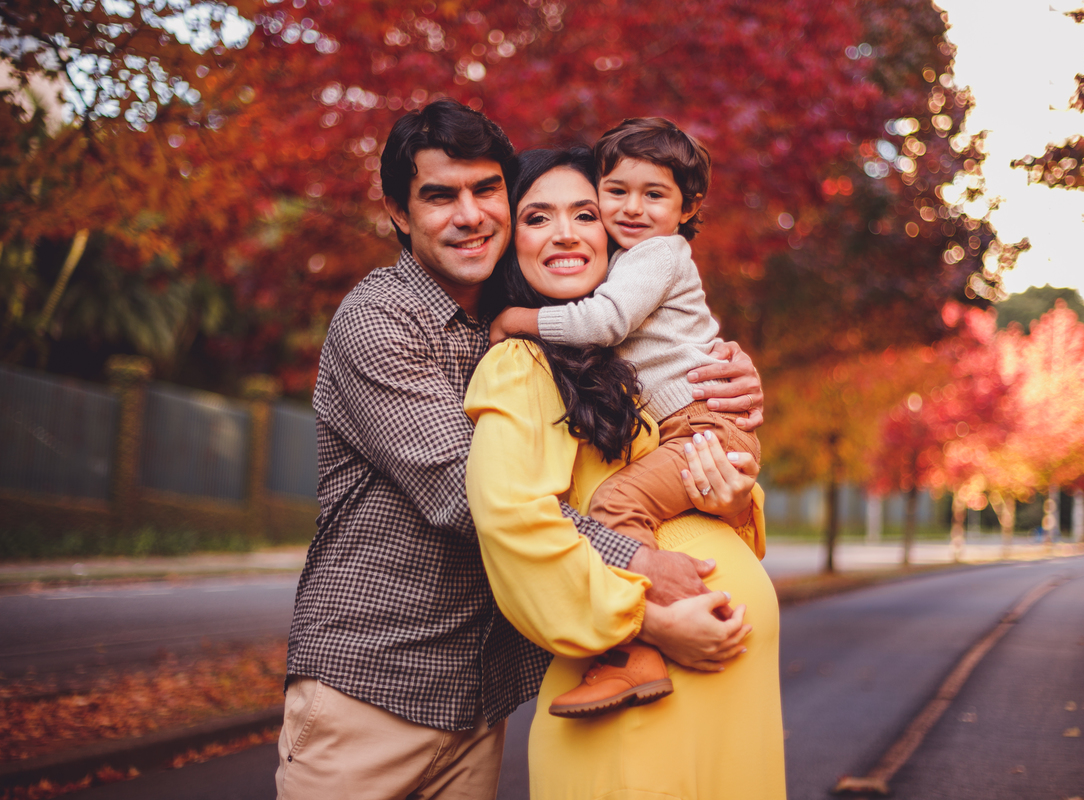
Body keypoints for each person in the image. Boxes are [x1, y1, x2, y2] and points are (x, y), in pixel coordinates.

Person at [275, 99, 765, 800]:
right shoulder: (380, 322)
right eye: (440, 196)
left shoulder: (551, 341)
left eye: (485, 191)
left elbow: (654, 466)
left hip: (481, 700)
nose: (470, 215)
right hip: (372, 686)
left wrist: (729, 427)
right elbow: (471, 500)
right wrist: (645, 596)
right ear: (397, 210)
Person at [465, 147, 786, 799]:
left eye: (585, 213)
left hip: (727, 677)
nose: (565, 232)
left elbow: (703, 504)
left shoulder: (630, 365)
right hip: (636, 685)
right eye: (537, 217)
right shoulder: (520, 360)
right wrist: (645, 621)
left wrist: (734, 497)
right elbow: (516, 522)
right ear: (510, 243)